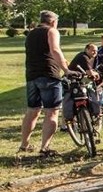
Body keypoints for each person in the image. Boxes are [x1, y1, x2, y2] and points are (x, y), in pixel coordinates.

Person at [20, 10, 71, 157]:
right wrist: (66, 70)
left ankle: (24, 144)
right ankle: (45, 147)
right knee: (52, 111)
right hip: (48, 75)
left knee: (32, 111)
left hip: (31, 75)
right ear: (53, 22)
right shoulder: (51, 32)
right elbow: (55, 50)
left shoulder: (31, 33)